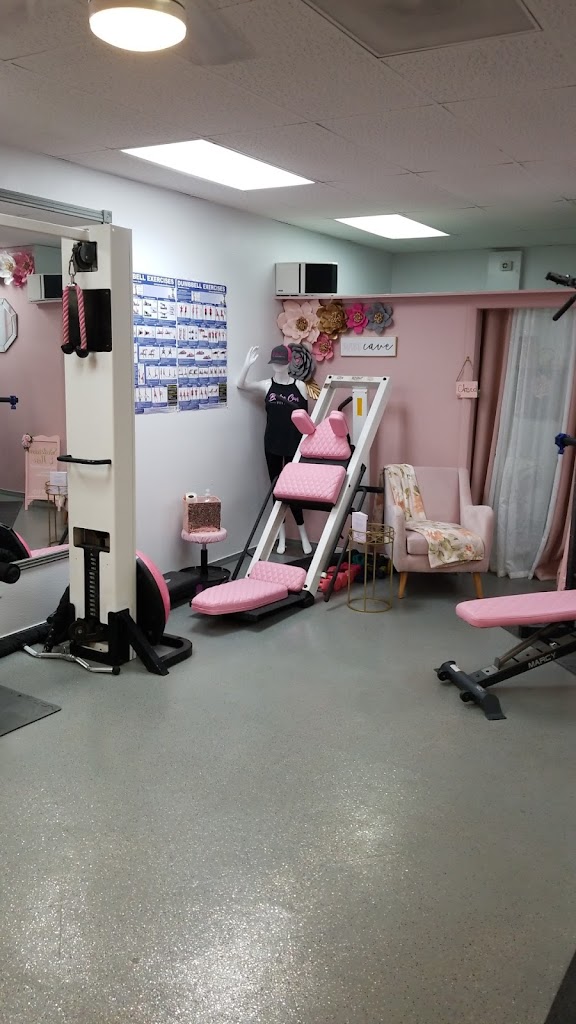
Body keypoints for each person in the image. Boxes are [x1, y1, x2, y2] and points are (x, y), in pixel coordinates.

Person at [237, 344, 312, 554]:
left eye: (281, 362)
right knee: (276, 489)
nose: (278, 366)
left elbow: (306, 418)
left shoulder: (300, 386)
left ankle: (303, 535)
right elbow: (241, 385)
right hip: (272, 443)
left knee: (294, 491)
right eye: (275, 363)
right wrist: (247, 365)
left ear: (289, 363)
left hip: (295, 445)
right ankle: (281, 537)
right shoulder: (266, 385)